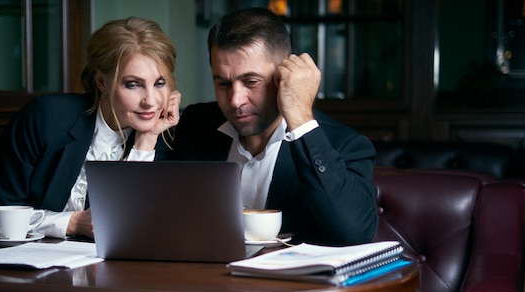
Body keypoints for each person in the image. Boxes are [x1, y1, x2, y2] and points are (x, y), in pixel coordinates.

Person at [158, 7, 377, 246]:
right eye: (223, 83)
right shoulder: (195, 124)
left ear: (284, 75)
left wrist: (301, 118)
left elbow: (355, 233)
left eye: (251, 82)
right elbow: (149, 211)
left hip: (291, 283)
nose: (235, 100)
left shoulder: (343, 145)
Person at [0, 17, 181, 240]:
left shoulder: (165, 137)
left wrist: (146, 141)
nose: (151, 101)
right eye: (133, 84)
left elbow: (130, 225)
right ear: (101, 82)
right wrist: (72, 223)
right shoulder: (46, 117)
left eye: (160, 83)